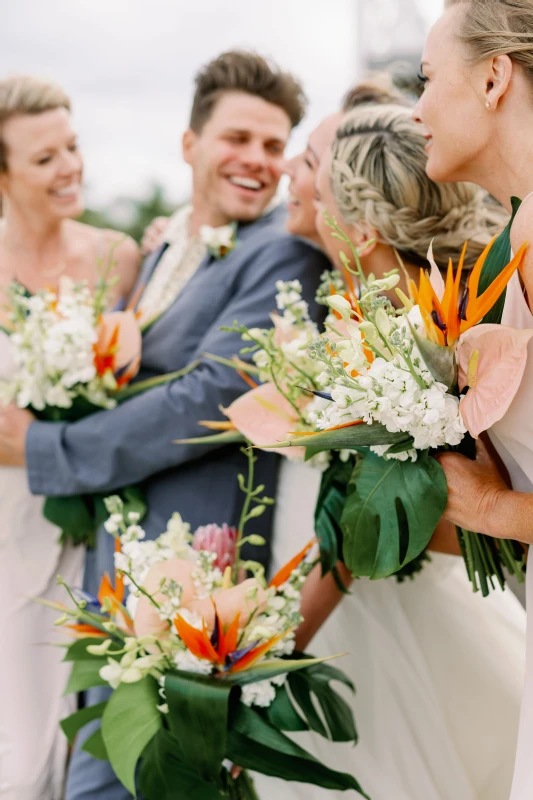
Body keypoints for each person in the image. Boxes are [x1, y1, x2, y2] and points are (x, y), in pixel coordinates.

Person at [0, 53, 330, 800]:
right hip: (116, 584)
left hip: (195, 592)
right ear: (188, 144)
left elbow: (216, 393)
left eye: (275, 147)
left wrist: (43, 446)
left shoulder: (282, 252)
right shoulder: (163, 247)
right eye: (237, 138)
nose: (257, 160)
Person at [253, 101, 526, 800]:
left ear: (361, 226)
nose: (310, 198)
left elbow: (369, 530)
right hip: (384, 620)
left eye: (323, 190)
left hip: (405, 626)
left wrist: (267, 653)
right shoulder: (378, 321)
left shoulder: (418, 345)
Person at [0, 75, 140, 800]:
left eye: (73, 147)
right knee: (21, 764)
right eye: (45, 158)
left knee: (90, 734)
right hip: (9, 526)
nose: (70, 168)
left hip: (101, 521)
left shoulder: (119, 257)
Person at [412, 3, 533, 798]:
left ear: (493, 77)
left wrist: (493, 512)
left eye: (425, 80)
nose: (414, 110)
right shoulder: (512, 249)